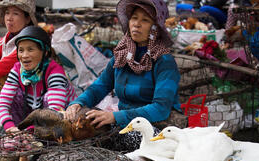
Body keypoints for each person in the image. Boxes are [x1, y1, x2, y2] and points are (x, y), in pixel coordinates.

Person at [64, 0, 184, 150]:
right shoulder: (122, 56)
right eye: (134, 18)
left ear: (155, 27)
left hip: (155, 128)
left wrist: (115, 117)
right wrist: (78, 103)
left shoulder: (164, 61)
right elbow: (99, 87)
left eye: (145, 20)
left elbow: (160, 109)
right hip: (125, 124)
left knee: (112, 142)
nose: (136, 24)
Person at [0, 25, 77, 134]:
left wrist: (28, 131)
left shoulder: (54, 71)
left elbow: (54, 114)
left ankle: (28, 135)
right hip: (31, 122)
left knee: (48, 99)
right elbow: (2, 104)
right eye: (21, 50)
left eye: (30, 50)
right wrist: (10, 127)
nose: (24, 55)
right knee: (15, 95)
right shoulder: (17, 70)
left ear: (45, 52)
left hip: (59, 122)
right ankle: (19, 133)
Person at [0, 0, 38, 105]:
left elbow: (1, 67)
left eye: (15, 13)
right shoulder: (8, 38)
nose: (9, 18)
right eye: (7, 12)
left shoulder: (29, 41)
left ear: (27, 19)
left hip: (29, 94)